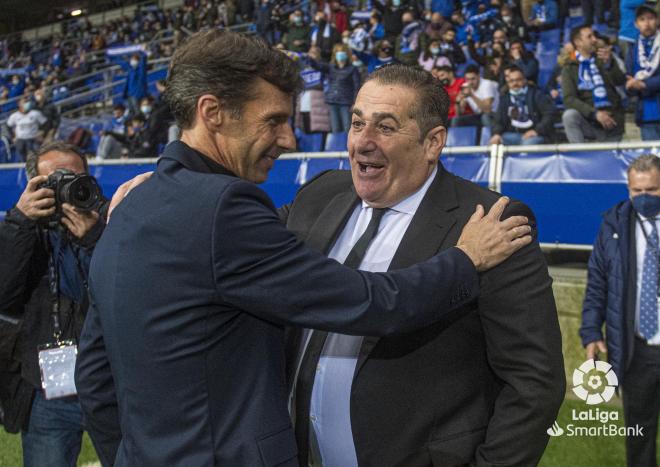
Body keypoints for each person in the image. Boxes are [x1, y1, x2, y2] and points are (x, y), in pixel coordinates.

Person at [75, 31, 531, 467]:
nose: (289, 139)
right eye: (272, 120)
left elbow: (95, 376)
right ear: (212, 112)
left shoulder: (134, 205)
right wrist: (466, 259)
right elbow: (373, 304)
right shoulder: (224, 208)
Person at [286, 64, 565, 467]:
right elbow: (242, 236)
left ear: (432, 142)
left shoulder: (489, 223)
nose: (362, 143)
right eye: (357, 123)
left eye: (385, 127)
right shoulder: (320, 193)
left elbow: (534, 381)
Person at [0, 142, 107, 467]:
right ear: (33, 185)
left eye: (74, 178)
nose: (65, 190)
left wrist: (95, 239)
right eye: (54, 182)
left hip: (110, 385)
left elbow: (125, 292)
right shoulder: (18, 231)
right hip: (46, 389)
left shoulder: (113, 228)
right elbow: (4, 295)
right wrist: (21, 222)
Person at [580, 153, 660, 467]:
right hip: (635, 350)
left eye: (651, 190)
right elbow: (597, 282)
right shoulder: (613, 225)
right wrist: (590, 331)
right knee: (639, 435)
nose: (643, 198)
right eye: (636, 191)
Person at [561, 25, 626, 143]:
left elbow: (620, 81)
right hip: (589, 121)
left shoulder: (603, 58)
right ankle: (579, 156)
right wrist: (595, 114)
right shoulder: (569, 68)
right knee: (569, 115)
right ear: (578, 42)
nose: (595, 39)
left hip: (613, 119)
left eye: (594, 36)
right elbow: (568, 99)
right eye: (589, 37)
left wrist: (609, 64)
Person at [490, 65, 556, 145]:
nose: (515, 83)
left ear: (524, 80)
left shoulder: (536, 94)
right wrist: (496, 134)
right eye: (511, 81)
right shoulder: (505, 98)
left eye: (518, 80)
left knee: (528, 144)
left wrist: (537, 131)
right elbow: (498, 120)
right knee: (495, 143)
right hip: (512, 134)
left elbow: (549, 114)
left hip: (535, 134)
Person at [307, 45, 361, 134]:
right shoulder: (330, 67)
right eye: (338, 52)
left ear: (347, 54)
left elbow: (357, 86)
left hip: (346, 102)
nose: (340, 54)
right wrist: (309, 58)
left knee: (347, 127)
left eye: (342, 52)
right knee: (335, 128)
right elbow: (317, 66)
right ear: (335, 54)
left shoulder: (353, 69)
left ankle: (347, 147)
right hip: (332, 100)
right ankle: (337, 147)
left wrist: (355, 102)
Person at [625, 5, 660, 141]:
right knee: (653, 161)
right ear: (636, 23)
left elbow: (640, 83)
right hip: (646, 116)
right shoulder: (633, 48)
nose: (647, 23)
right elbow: (628, 80)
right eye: (642, 19)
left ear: (657, 20)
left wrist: (644, 85)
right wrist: (631, 86)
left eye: (650, 18)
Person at [6, 97, 47, 162]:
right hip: (20, 139)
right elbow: (8, 126)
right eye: (24, 102)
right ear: (19, 104)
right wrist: (13, 137)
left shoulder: (35, 113)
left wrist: (42, 133)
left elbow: (45, 123)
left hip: (33, 139)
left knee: (35, 157)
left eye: (27, 102)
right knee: (22, 157)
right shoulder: (15, 115)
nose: (26, 104)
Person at [463, 64, 500, 128]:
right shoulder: (465, 86)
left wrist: (471, 95)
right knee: (457, 120)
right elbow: (460, 112)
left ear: (478, 76)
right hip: (477, 116)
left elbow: (487, 109)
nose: (470, 82)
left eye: (473, 79)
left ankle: (492, 136)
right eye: (468, 79)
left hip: (494, 114)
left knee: (484, 117)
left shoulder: (487, 84)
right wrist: (458, 102)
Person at [122, 52, 148, 117]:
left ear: (138, 61)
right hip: (129, 95)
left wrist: (143, 53)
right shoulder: (130, 69)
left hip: (137, 94)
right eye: (132, 59)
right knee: (131, 112)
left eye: (135, 59)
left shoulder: (140, 70)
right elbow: (122, 63)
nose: (132, 61)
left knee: (138, 112)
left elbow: (143, 63)